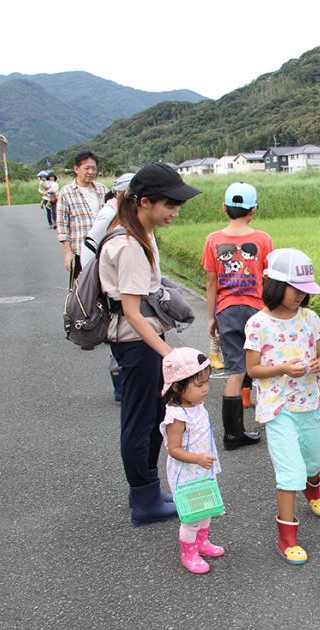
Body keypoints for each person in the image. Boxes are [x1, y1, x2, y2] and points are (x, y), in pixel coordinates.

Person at [99, 162, 201, 525]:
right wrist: (169, 354)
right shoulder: (129, 245)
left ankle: (146, 490)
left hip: (143, 342)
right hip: (137, 343)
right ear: (144, 202)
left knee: (152, 416)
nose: (174, 212)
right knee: (140, 422)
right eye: (169, 205)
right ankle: (143, 501)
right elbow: (132, 311)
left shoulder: (139, 233)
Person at [244, 248, 320, 565]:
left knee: (315, 458)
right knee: (290, 472)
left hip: (309, 401)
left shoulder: (311, 319)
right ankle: (287, 536)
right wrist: (282, 368)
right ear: (276, 286)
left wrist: (315, 365)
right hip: (277, 407)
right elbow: (252, 369)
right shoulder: (257, 324)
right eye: (297, 289)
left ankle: (314, 490)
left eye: (305, 291)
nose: (301, 297)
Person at [202, 182, 272, 450]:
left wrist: (211, 317)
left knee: (235, 370)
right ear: (253, 210)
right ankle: (272, 416)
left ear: (224, 208)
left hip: (227, 310)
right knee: (263, 364)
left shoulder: (213, 240)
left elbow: (211, 283)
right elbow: (269, 280)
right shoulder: (263, 240)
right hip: (258, 310)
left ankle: (232, 434)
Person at [159, 347, 224, 574]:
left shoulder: (196, 405)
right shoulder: (176, 416)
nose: (205, 389)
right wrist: (197, 458)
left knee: (206, 509)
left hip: (202, 469)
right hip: (187, 474)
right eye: (199, 385)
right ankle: (189, 552)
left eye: (206, 383)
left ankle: (202, 542)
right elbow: (174, 449)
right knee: (191, 517)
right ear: (177, 386)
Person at [82, 172, 135, 402]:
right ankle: (121, 389)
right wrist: (95, 282)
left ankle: (125, 389)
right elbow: (89, 246)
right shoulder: (110, 213)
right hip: (113, 290)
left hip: (120, 286)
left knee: (122, 338)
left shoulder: (123, 213)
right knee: (119, 335)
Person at [57, 151, 108, 279]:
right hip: (80, 252)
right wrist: (68, 253)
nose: (91, 172)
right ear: (76, 169)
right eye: (87, 168)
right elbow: (62, 226)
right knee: (82, 293)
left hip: (104, 251)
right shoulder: (66, 192)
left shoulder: (103, 190)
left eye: (94, 168)